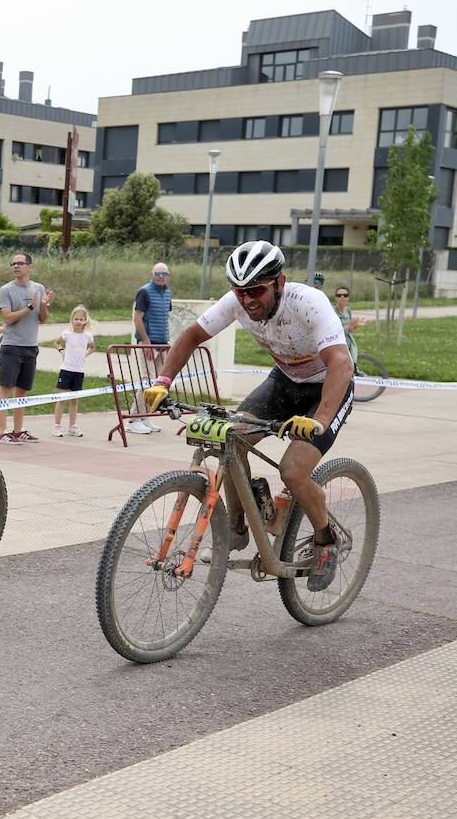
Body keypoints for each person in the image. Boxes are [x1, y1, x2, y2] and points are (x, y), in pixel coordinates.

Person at [143, 241, 355, 592]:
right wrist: (163, 382)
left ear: (280, 282)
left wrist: (319, 420)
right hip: (285, 381)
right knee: (231, 435)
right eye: (240, 291)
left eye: (256, 290)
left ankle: (325, 539)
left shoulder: (308, 303)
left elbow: (341, 363)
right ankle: (238, 528)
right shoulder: (237, 302)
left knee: (293, 469)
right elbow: (191, 336)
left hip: (327, 388)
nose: (248, 299)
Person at [0, 252, 52, 444]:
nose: (16, 266)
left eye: (20, 263)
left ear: (30, 266)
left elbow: (43, 319)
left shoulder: (39, 288)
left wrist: (42, 306)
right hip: (11, 346)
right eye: (14, 263)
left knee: (22, 391)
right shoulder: (6, 290)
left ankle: (18, 431)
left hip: (30, 346)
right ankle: (2, 432)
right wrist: (29, 307)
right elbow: (8, 318)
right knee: (6, 388)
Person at [128, 262, 172, 435]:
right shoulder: (144, 291)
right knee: (146, 381)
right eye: (157, 273)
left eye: (163, 273)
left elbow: (164, 317)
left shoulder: (167, 292)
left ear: (168, 275)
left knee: (157, 383)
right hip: (148, 343)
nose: (160, 276)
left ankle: (145, 416)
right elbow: (138, 319)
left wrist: (166, 343)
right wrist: (146, 342)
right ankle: (133, 418)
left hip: (162, 344)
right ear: (151, 274)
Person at [52, 305, 97, 438]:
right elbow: (56, 342)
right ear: (72, 320)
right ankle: (56, 426)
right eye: (76, 319)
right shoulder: (67, 334)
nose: (78, 321)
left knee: (74, 400)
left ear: (85, 321)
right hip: (66, 370)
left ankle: (72, 426)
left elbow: (93, 348)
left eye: (81, 319)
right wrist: (61, 351)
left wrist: (85, 355)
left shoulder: (88, 336)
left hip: (79, 371)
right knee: (62, 399)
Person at [328, 282, 368, 361]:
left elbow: (349, 330)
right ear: (335, 298)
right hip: (337, 346)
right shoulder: (331, 311)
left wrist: (355, 326)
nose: (342, 297)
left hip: (348, 344)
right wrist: (349, 326)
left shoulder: (348, 311)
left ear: (348, 298)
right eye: (339, 295)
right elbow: (333, 332)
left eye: (345, 295)